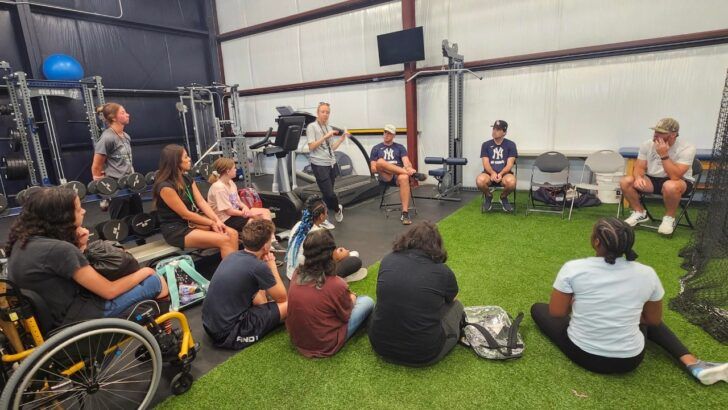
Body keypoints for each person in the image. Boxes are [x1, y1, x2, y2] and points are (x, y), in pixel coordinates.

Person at [531, 217, 728, 385]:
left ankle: (693, 363)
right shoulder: (647, 274)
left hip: (585, 355)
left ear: (596, 242)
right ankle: (692, 362)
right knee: (650, 318)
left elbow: (557, 313)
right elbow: (652, 321)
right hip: (630, 360)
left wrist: (581, 305)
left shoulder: (574, 268)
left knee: (538, 309)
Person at [5, 187, 169, 329]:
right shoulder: (61, 250)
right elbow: (109, 291)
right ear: (62, 216)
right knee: (155, 280)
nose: (84, 211)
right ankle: (165, 343)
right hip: (80, 318)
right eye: (78, 209)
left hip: (54, 318)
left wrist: (81, 247)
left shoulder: (22, 242)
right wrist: (146, 271)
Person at [368, 221, 462, 366]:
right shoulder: (442, 271)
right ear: (436, 245)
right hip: (424, 354)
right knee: (458, 306)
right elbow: (453, 299)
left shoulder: (388, 259)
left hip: (379, 345)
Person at [286, 229, 375, 358]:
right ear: (332, 253)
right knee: (367, 301)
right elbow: (345, 315)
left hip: (297, 339)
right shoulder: (336, 284)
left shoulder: (297, 273)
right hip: (325, 344)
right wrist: (352, 297)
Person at [202, 219, 287, 350]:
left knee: (259, 289)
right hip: (228, 334)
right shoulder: (258, 267)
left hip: (210, 326)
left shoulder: (233, 255)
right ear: (265, 246)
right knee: (289, 305)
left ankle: (266, 318)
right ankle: (264, 321)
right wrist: (271, 266)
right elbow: (282, 298)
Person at [152, 145, 238, 259]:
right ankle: (231, 275)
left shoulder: (187, 179)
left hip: (194, 223)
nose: (189, 159)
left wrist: (217, 220)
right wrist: (212, 223)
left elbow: (201, 202)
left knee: (233, 234)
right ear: (175, 162)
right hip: (177, 229)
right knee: (225, 240)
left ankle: (236, 270)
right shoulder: (165, 187)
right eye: (186, 157)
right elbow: (185, 214)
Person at [620, 118, 696, 235]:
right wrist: (639, 177)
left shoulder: (687, 148)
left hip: (679, 182)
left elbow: (675, 176)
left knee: (670, 185)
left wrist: (664, 154)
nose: (656, 135)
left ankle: (669, 218)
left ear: (673, 135)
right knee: (626, 181)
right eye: (655, 131)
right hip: (652, 179)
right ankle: (639, 212)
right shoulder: (647, 144)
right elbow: (639, 167)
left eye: (661, 133)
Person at [285, 195, 367, 282]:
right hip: (309, 278)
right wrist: (344, 254)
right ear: (321, 216)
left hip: (292, 275)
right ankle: (341, 279)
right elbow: (331, 260)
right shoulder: (319, 234)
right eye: (326, 212)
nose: (327, 215)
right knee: (355, 258)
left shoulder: (298, 225)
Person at [91, 103, 144, 219]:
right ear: (113, 118)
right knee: (122, 225)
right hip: (116, 189)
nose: (127, 114)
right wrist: (104, 194)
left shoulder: (126, 136)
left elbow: (128, 162)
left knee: (139, 221)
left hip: (131, 184)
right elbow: (96, 167)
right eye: (123, 112)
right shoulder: (107, 138)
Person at [370, 124, 427, 225]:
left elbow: (406, 162)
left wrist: (409, 168)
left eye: (389, 133)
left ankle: (404, 213)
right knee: (380, 162)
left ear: (393, 135)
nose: (386, 135)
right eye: (385, 132)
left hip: (398, 176)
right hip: (384, 175)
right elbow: (374, 168)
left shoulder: (400, 147)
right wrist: (387, 168)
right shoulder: (376, 148)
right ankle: (413, 175)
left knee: (404, 177)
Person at [305, 102, 349, 228]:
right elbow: (311, 146)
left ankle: (324, 217)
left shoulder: (328, 127)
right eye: (323, 112)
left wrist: (341, 139)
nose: (325, 114)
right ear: (317, 113)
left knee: (327, 194)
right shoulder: (312, 127)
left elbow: (332, 148)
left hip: (331, 163)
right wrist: (325, 137)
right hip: (319, 164)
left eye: (327, 112)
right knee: (329, 194)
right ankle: (335, 210)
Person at [206, 157, 272, 232]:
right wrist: (248, 214)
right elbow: (229, 211)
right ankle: (260, 240)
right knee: (255, 223)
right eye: (234, 168)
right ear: (228, 171)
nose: (236, 170)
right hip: (226, 220)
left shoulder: (230, 182)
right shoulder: (219, 188)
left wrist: (245, 207)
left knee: (265, 212)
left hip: (235, 214)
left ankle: (272, 240)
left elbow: (238, 202)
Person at [475, 120, 518, 212]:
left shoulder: (511, 145)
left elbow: (510, 164)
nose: (494, 131)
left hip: (505, 174)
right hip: (489, 174)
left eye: (498, 129)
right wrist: (492, 173)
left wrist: (501, 173)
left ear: (504, 132)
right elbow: (485, 163)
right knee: (479, 180)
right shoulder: (486, 145)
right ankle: (489, 196)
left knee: (512, 182)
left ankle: (503, 197)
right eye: (494, 128)